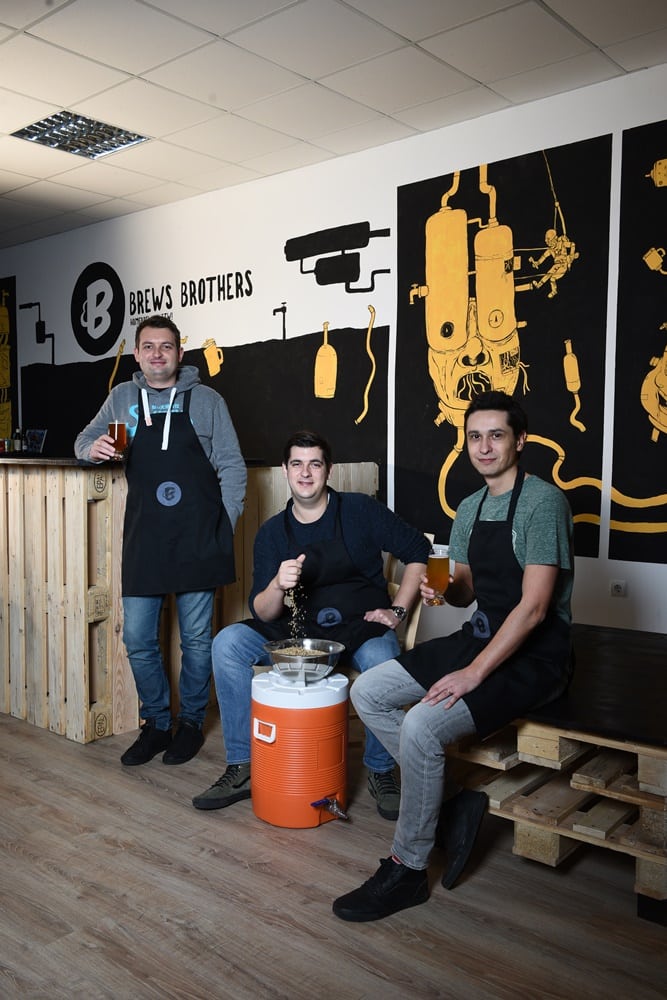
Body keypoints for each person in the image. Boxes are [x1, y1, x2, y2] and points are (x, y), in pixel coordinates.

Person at [332, 390, 574, 922]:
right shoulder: (470, 507)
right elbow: (465, 591)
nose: (483, 447)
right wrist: (443, 591)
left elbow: (534, 608)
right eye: (474, 437)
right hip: (481, 634)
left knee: (422, 725)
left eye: (496, 435)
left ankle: (408, 869)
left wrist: (472, 673)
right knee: (367, 689)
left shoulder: (544, 503)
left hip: (536, 654)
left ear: (520, 440)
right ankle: (450, 801)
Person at [192, 429, 430, 818]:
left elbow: (419, 550)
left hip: (361, 628)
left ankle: (381, 770)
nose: (305, 473)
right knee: (227, 643)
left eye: (314, 464)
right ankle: (243, 766)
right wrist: (276, 584)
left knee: (383, 658)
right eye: (297, 464)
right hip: (299, 633)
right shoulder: (273, 533)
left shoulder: (359, 511)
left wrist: (398, 611)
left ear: (328, 470)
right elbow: (263, 612)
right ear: (285, 470)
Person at [75, 315, 246, 767]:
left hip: (198, 538)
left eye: (165, 346)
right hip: (145, 538)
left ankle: (190, 723)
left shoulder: (208, 400)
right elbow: (83, 440)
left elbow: (232, 466)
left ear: (179, 353)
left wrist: (223, 527)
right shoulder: (122, 398)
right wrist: (92, 450)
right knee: (137, 637)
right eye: (148, 347)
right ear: (136, 354)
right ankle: (156, 723)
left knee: (197, 641)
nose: (156, 354)